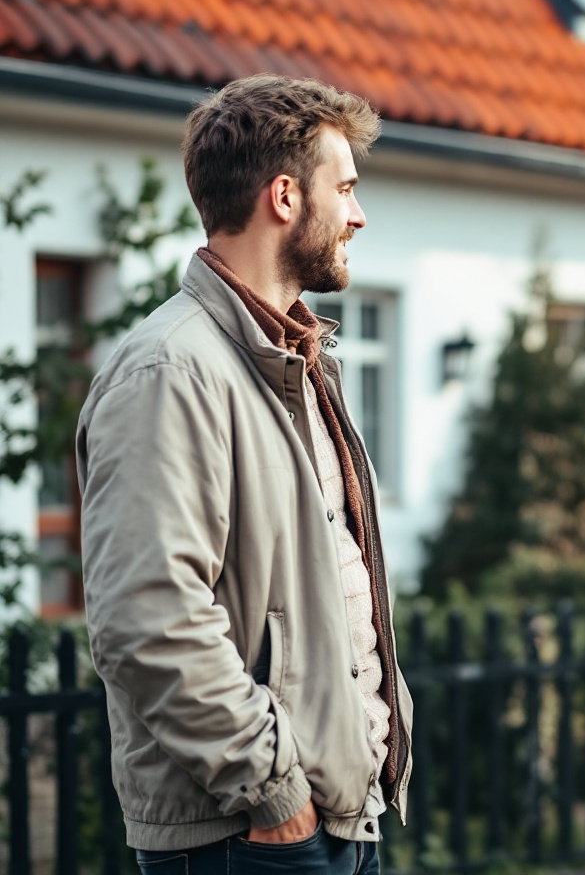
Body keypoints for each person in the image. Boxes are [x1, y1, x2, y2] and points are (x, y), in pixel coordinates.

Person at [77, 74, 412, 875]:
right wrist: (273, 793)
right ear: (287, 196)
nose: (359, 215)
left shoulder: (295, 362)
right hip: (249, 835)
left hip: (335, 820)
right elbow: (146, 618)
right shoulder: (170, 370)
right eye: (347, 189)